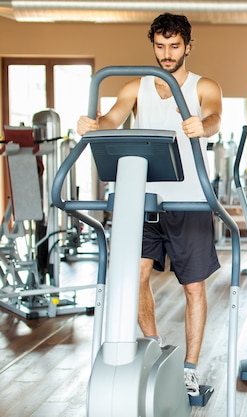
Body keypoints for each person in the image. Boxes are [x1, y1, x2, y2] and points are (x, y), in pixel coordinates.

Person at [77, 12, 223, 396]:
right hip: (143, 201)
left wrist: (201, 127)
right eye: (160, 46)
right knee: (136, 276)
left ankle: (189, 369)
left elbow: (215, 117)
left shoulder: (203, 85)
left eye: (174, 46)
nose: (166, 54)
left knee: (193, 287)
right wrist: (94, 125)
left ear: (188, 47)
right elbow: (112, 118)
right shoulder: (135, 87)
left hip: (190, 200)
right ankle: (157, 350)